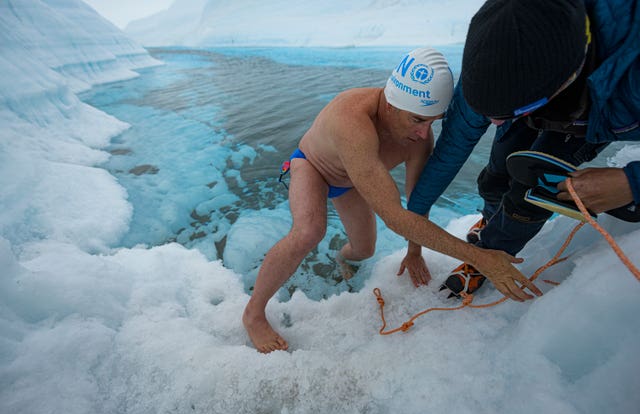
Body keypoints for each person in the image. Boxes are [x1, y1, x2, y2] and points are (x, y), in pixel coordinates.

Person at [242, 47, 541, 353]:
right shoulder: (353, 120)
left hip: (354, 181)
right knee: (309, 231)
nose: (424, 133)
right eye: (417, 120)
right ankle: (253, 314)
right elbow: (394, 216)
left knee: (364, 250)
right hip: (314, 167)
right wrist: (480, 258)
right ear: (391, 103)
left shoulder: (418, 139)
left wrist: (415, 252)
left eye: (433, 122)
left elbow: (416, 202)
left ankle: (341, 258)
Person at [402, 0, 640, 300]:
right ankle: (490, 221)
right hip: (551, 89)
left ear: (566, 80)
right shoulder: (494, 57)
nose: (496, 123)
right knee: (497, 174)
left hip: (609, 94)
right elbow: (450, 152)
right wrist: (415, 219)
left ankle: (491, 252)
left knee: (533, 189)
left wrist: (631, 182)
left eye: (504, 114)